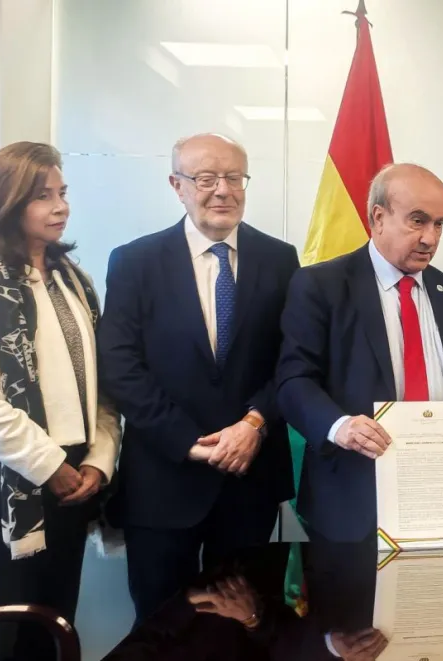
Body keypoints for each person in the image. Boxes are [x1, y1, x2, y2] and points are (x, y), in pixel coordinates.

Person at [97, 133, 299, 622]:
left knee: (248, 627)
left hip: (249, 483)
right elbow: (121, 366)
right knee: (162, 629)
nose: (223, 190)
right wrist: (188, 441)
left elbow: (293, 361)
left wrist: (254, 423)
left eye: (234, 178)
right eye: (206, 178)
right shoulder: (134, 262)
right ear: (177, 185)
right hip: (163, 483)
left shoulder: (281, 260)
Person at [0, 142, 120, 660]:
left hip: (72, 488)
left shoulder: (73, 280)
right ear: (7, 201)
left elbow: (103, 392)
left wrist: (99, 463)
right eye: (43, 196)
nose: (61, 206)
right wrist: (49, 465)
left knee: (53, 641)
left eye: (62, 193)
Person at [276, 163, 443, 542]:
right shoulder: (322, 285)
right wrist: (340, 427)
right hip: (354, 501)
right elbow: (293, 380)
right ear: (379, 217)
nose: (430, 238)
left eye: (439, 224)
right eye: (417, 221)